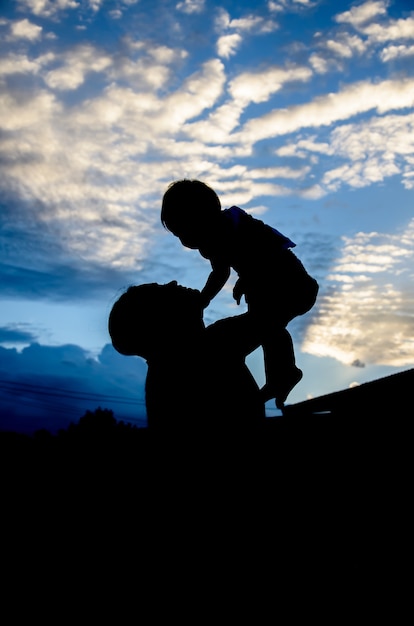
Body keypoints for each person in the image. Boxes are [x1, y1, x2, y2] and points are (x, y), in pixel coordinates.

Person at [161, 179, 319, 409]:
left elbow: (237, 264)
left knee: (266, 323)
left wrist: (204, 300)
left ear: (203, 217)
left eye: (185, 232)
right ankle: (281, 374)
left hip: (291, 284)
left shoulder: (224, 230)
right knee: (266, 324)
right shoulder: (221, 231)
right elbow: (228, 266)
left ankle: (283, 374)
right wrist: (245, 279)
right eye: (179, 236)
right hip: (273, 285)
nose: (185, 241)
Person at [108, 281, 265, 431]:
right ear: (161, 320)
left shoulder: (163, 379)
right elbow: (274, 312)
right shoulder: (212, 347)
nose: (173, 283)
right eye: (163, 291)